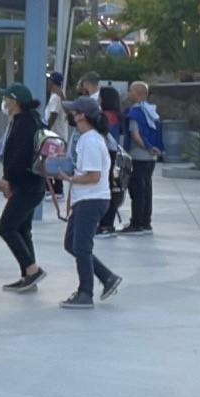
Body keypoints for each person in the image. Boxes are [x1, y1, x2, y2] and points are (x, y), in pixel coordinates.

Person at [59, 97, 122, 310]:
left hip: (91, 199)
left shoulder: (91, 141)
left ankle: (85, 293)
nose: (71, 115)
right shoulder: (87, 138)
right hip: (86, 199)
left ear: (82, 115)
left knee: (81, 247)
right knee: (72, 244)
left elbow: (93, 176)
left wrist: (70, 179)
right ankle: (107, 277)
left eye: (74, 112)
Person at [0, 83, 48, 292]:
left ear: (14, 101)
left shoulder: (23, 124)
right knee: (23, 229)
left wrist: (7, 179)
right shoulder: (32, 120)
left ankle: (32, 270)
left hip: (26, 185)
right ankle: (27, 275)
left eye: (6, 98)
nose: (4, 102)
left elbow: (19, 157)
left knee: (6, 227)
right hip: (34, 185)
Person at [119, 79, 164, 234]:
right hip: (151, 158)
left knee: (137, 191)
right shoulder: (151, 111)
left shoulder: (135, 113)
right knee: (147, 190)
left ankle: (136, 223)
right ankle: (146, 223)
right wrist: (155, 149)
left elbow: (135, 135)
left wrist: (147, 147)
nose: (128, 93)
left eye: (131, 90)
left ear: (138, 94)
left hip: (138, 157)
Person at [97, 83, 130, 235]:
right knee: (113, 188)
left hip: (107, 154)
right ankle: (107, 223)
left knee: (105, 188)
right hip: (116, 154)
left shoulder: (106, 117)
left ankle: (105, 225)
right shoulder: (118, 116)